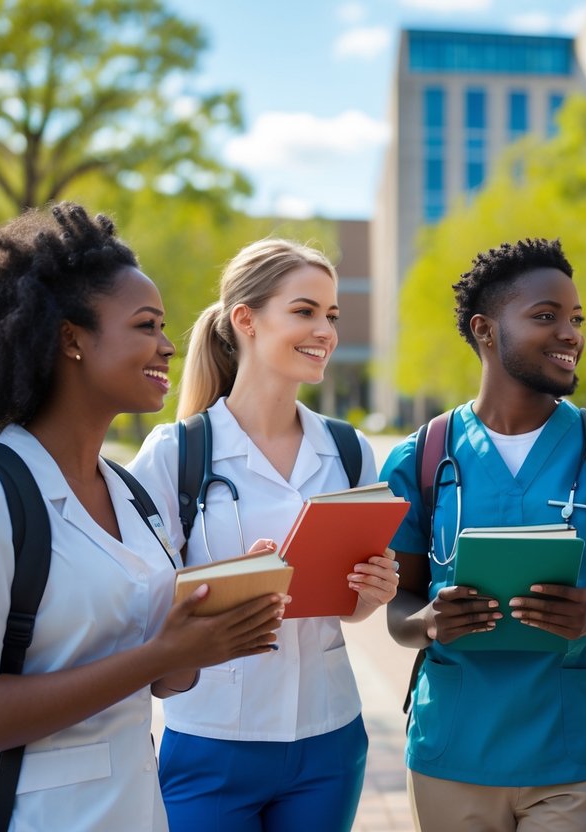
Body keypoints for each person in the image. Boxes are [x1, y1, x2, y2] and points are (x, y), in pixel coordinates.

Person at [0, 203, 286, 830]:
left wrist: (215, 627)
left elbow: (164, 678)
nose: (170, 344)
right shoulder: (3, 491)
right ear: (71, 338)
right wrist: (160, 656)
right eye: (146, 325)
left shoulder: (133, 496)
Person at [381, 238, 586, 831]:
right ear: (485, 330)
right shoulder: (422, 458)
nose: (570, 333)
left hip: (572, 750)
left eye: (575, 319)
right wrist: (428, 621)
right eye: (545, 316)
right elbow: (398, 608)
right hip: (450, 750)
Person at [129, 239, 398, 832]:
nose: (324, 330)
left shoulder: (350, 451)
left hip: (329, 738)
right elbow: (138, 604)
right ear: (245, 320)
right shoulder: (175, 454)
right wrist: (230, 585)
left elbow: (349, 612)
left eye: (331, 315)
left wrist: (371, 592)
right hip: (213, 741)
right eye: (304, 311)